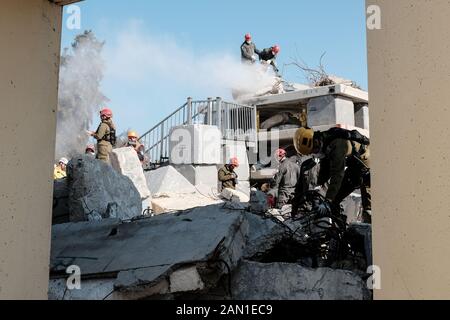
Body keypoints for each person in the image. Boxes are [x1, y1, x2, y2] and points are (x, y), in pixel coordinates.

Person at [293, 127, 372, 223]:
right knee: (334, 201)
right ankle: (337, 230)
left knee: (369, 208)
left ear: (316, 141)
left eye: (314, 150)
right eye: (311, 153)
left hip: (368, 166)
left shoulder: (337, 144)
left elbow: (337, 174)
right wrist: (318, 187)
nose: (315, 153)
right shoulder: (325, 144)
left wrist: (328, 200)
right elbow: (325, 170)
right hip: (354, 167)